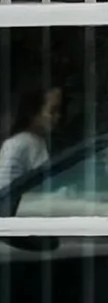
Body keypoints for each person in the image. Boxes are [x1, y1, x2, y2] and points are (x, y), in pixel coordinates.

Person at [0, 82, 64, 216]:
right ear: (33, 113)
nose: (58, 116)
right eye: (52, 111)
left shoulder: (40, 141)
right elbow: (5, 190)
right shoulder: (17, 145)